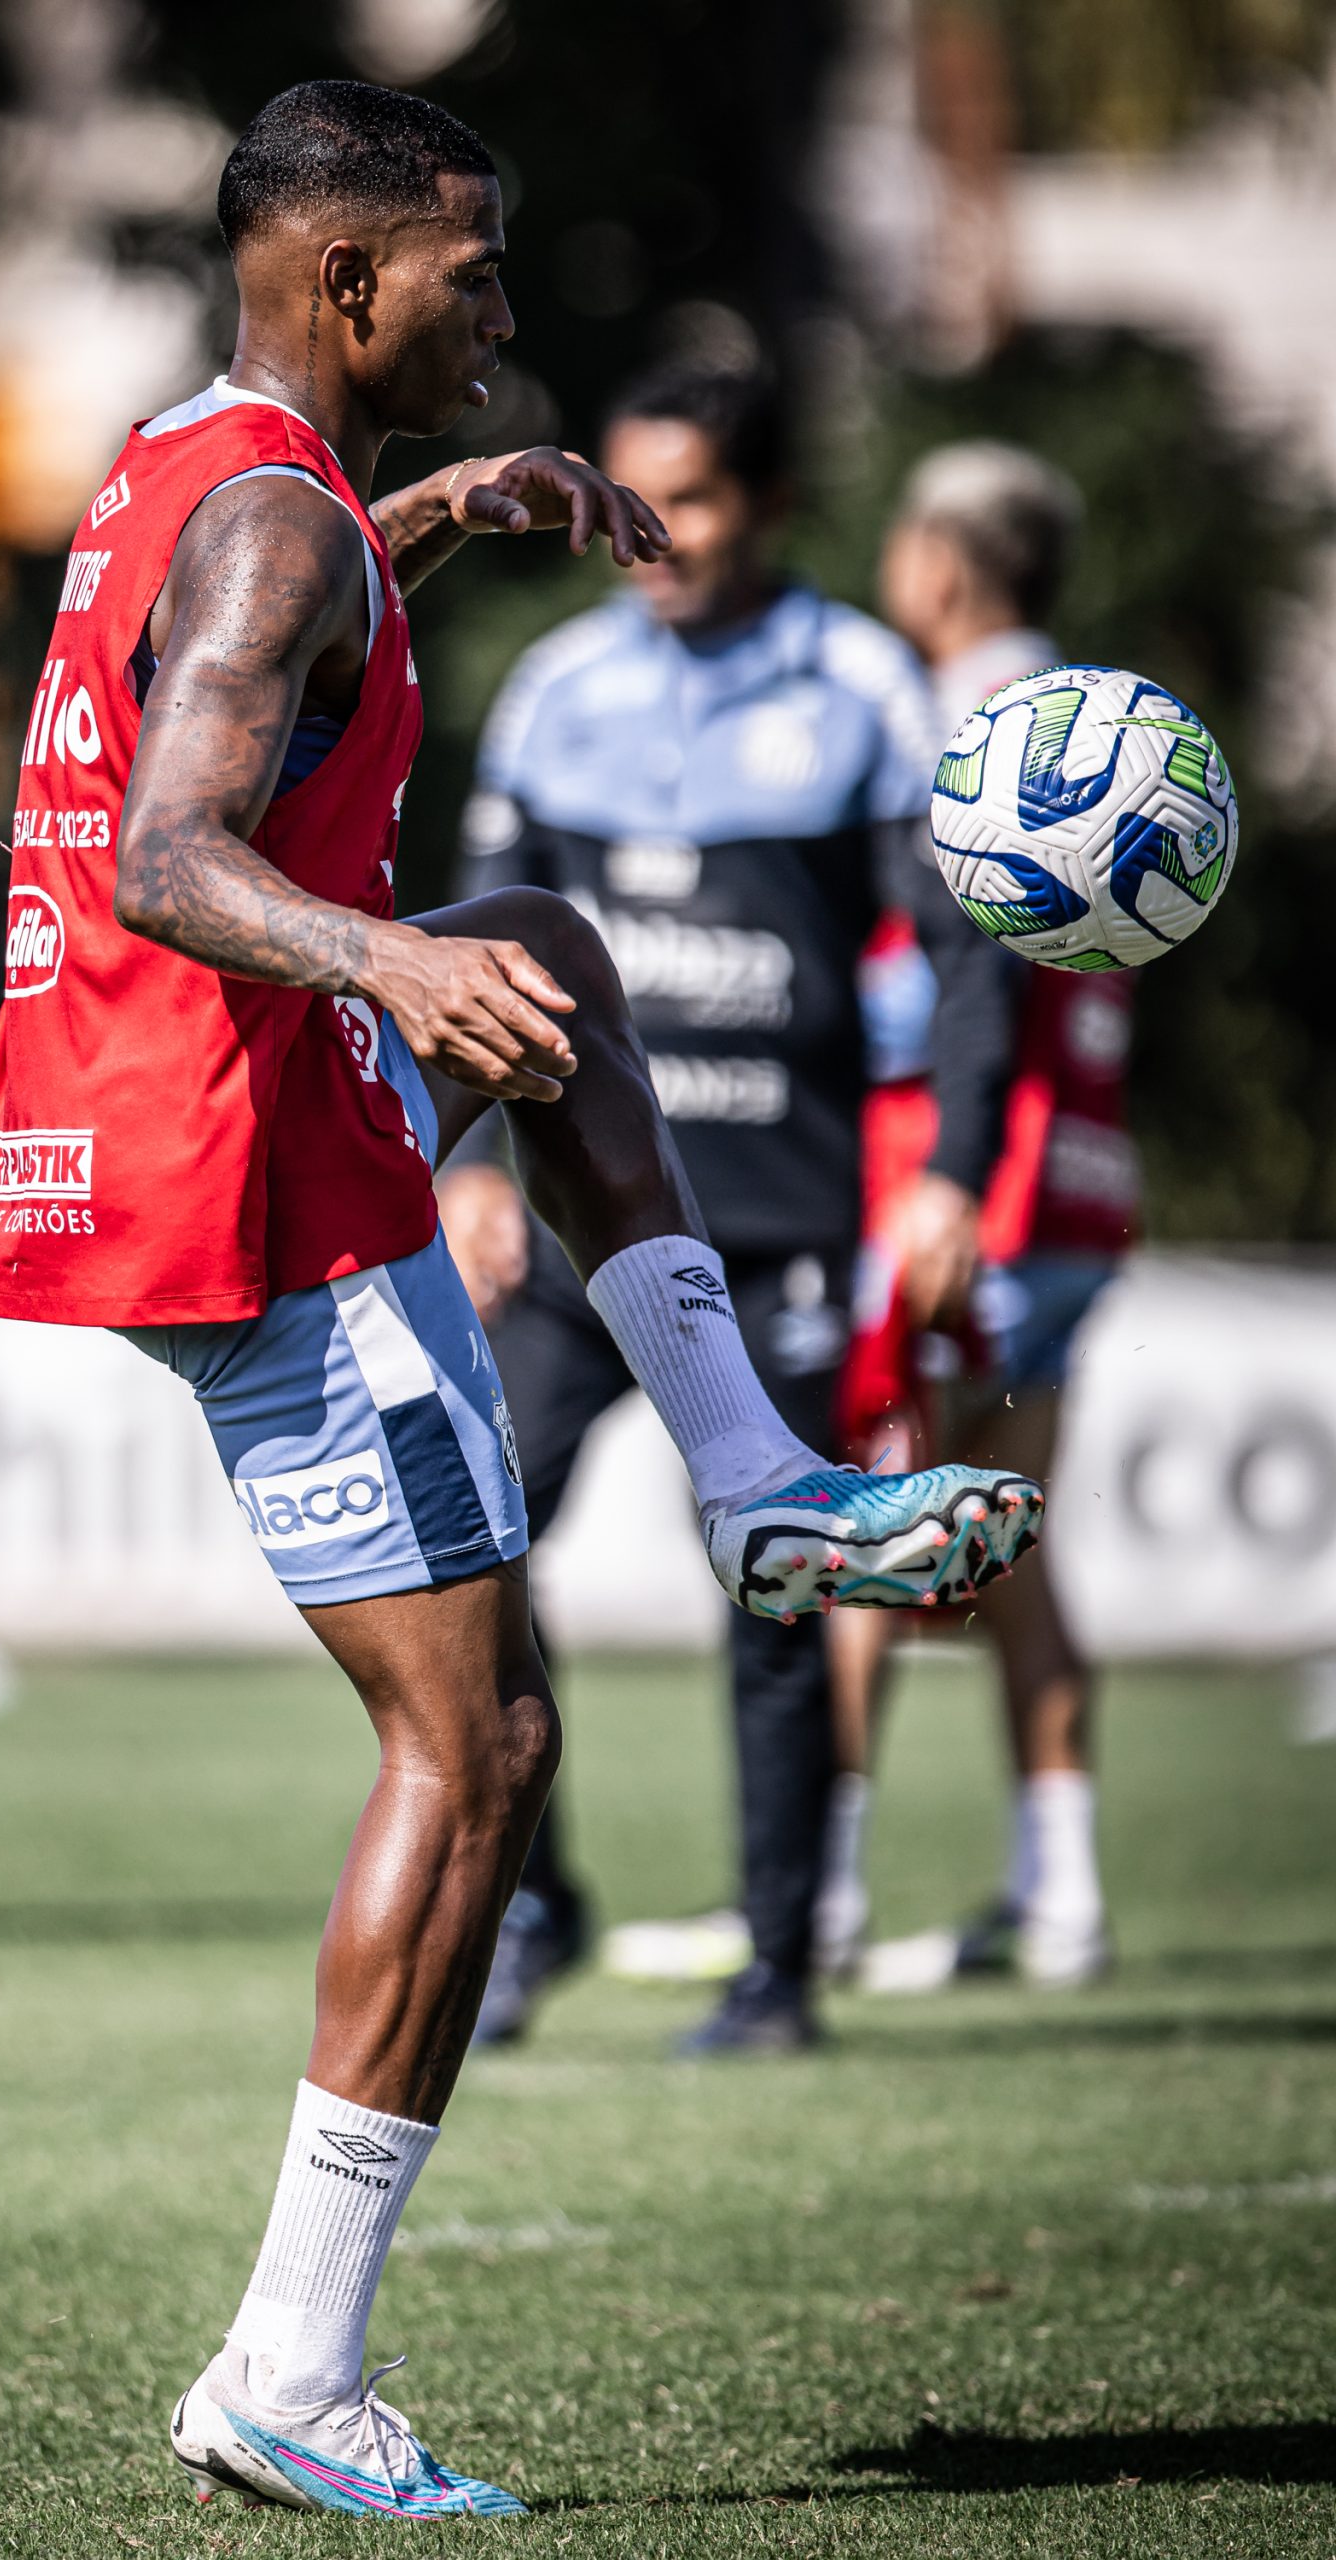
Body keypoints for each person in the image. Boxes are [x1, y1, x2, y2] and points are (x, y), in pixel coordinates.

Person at [0, 81, 1042, 2516]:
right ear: (347, 283)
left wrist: (434, 519)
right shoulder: (265, 525)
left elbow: (255, 651)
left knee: (543, 942)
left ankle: (755, 1475)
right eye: (471, 271)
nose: (508, 311)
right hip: (244, 1180)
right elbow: (168, 846)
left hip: (184, 1114)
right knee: (479, 1752)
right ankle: (286, 2369)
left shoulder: (222, 471)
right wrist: (378, 964)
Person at [442, 358, 1021, 2056]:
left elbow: (965, 957)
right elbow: (469, 954)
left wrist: (953, 1171)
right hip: (568, 1233)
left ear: (765, 503)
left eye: (687, 495)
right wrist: (472, 1170)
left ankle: (775, 1969)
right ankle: (534, 1906)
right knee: (474, 1545)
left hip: (771, 1228)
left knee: (775, 1577)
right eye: (625, 494)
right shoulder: (553, 691)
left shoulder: (861, 690)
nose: (650, 530)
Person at [822, 440, 1126, 1991]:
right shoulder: (1112, 724)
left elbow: (960, 982)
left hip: (961, 1192)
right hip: (1079, 1180)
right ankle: (1059, 1892)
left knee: (868, 1523)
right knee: (1014, 1548)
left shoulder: (970, 732)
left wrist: (942, 1184)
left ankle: (819, 1891)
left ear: (940, 566)